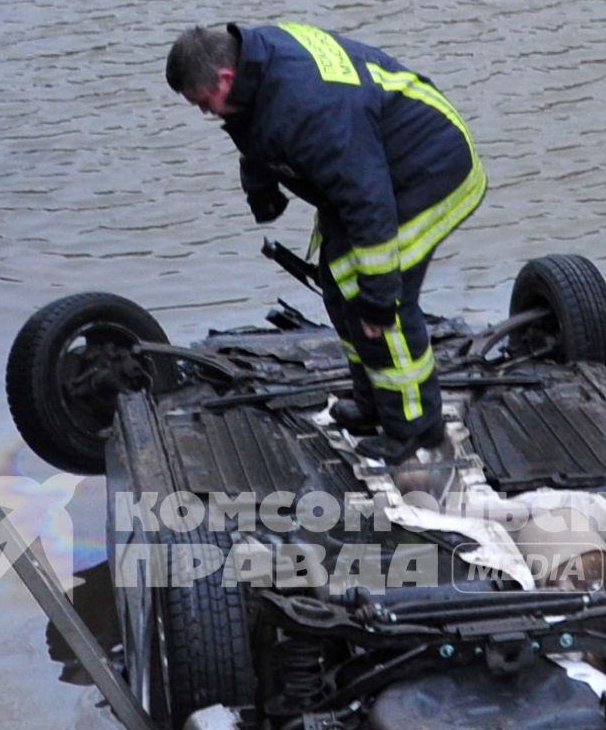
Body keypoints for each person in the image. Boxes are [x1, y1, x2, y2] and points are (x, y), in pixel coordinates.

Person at [166, 23, 486, 461]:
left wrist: (377, 298)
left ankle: (417, 433)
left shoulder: (311, 109)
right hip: (375, 161)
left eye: (205, 103)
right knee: (339, 282)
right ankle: (375, 402)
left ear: (224, 77)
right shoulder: (251, 68)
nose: (207, 112)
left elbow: (369, 204)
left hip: (431, 169)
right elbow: (249, 122)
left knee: (382, 307)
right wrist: (260, 186)